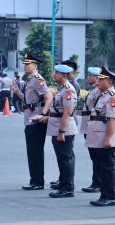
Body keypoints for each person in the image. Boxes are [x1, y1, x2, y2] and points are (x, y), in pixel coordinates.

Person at [12, 53, 53, 190]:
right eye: (24, 63)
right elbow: (30, 101)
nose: (24, 66)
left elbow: (49, 97)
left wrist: (42, 114)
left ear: (35, 66)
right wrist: (18, 93)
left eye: (27, 64)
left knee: (36, 151)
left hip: (36, 121)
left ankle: (38, 181)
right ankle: (34, 179)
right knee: (32, 151)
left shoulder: (37, 79)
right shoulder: (30, 80)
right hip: (29, 119)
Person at [86, 66, 115, 206]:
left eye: (101, 80)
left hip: (105, 136)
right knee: (101, 167)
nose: (98, 82)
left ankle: (109, 197)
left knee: (107, 167)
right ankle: (104, 195)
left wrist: (108, 138)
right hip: (98, 135)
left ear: (109, 82)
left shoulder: (112, 97)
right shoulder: (103, 95)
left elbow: (112, 119)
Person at [47, 64, 78, 198]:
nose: (55, 75)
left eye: (57, 73)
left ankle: (68, 187)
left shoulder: (68, 90)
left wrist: (61, 132)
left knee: (66, 159)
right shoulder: (61, 89)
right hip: (57, 126)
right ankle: (63, 183)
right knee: (62, 158)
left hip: (64, 128)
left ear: (64, 75)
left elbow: (67, 113)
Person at [79, 67, 102, 193]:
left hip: (93, 126)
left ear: (97, 78)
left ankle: (98, 182)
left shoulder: (99, 90)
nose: (88, 77)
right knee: (94, 156)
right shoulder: (93, 89)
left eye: (90, 76)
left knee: (97, 156)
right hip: (88, 125)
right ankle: (96, 181)